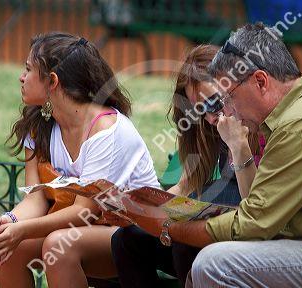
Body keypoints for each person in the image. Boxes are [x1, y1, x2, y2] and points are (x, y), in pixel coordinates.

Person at [106, 23, 302, 287]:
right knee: (137, 241)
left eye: (227, 98)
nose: (225, 111)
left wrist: (167, 226)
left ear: (260, 81)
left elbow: (253, 224)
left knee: (213, 263)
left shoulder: (301, 125)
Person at [0, 32, 159, 288]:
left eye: (28, 69)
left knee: (58, 246)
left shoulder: (106, 130)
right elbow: (35, 198)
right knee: (11, 249)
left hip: (131, 235)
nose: (21, 77)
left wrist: (22, 231)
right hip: (78, 230)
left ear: (52, 81)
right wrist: (11, 223)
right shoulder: (39, 124)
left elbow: (85, 212)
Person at [109, 44, 264, 287]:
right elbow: (185, 186)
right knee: (126, 240)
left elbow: (258, 207)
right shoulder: (210, 127)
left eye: (213, 103)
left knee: (185, 238)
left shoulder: (261, 125)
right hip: (212, 227)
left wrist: (239, 145)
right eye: (198, 109)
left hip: (246, 232)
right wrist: (137, 209)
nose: (210, 118)